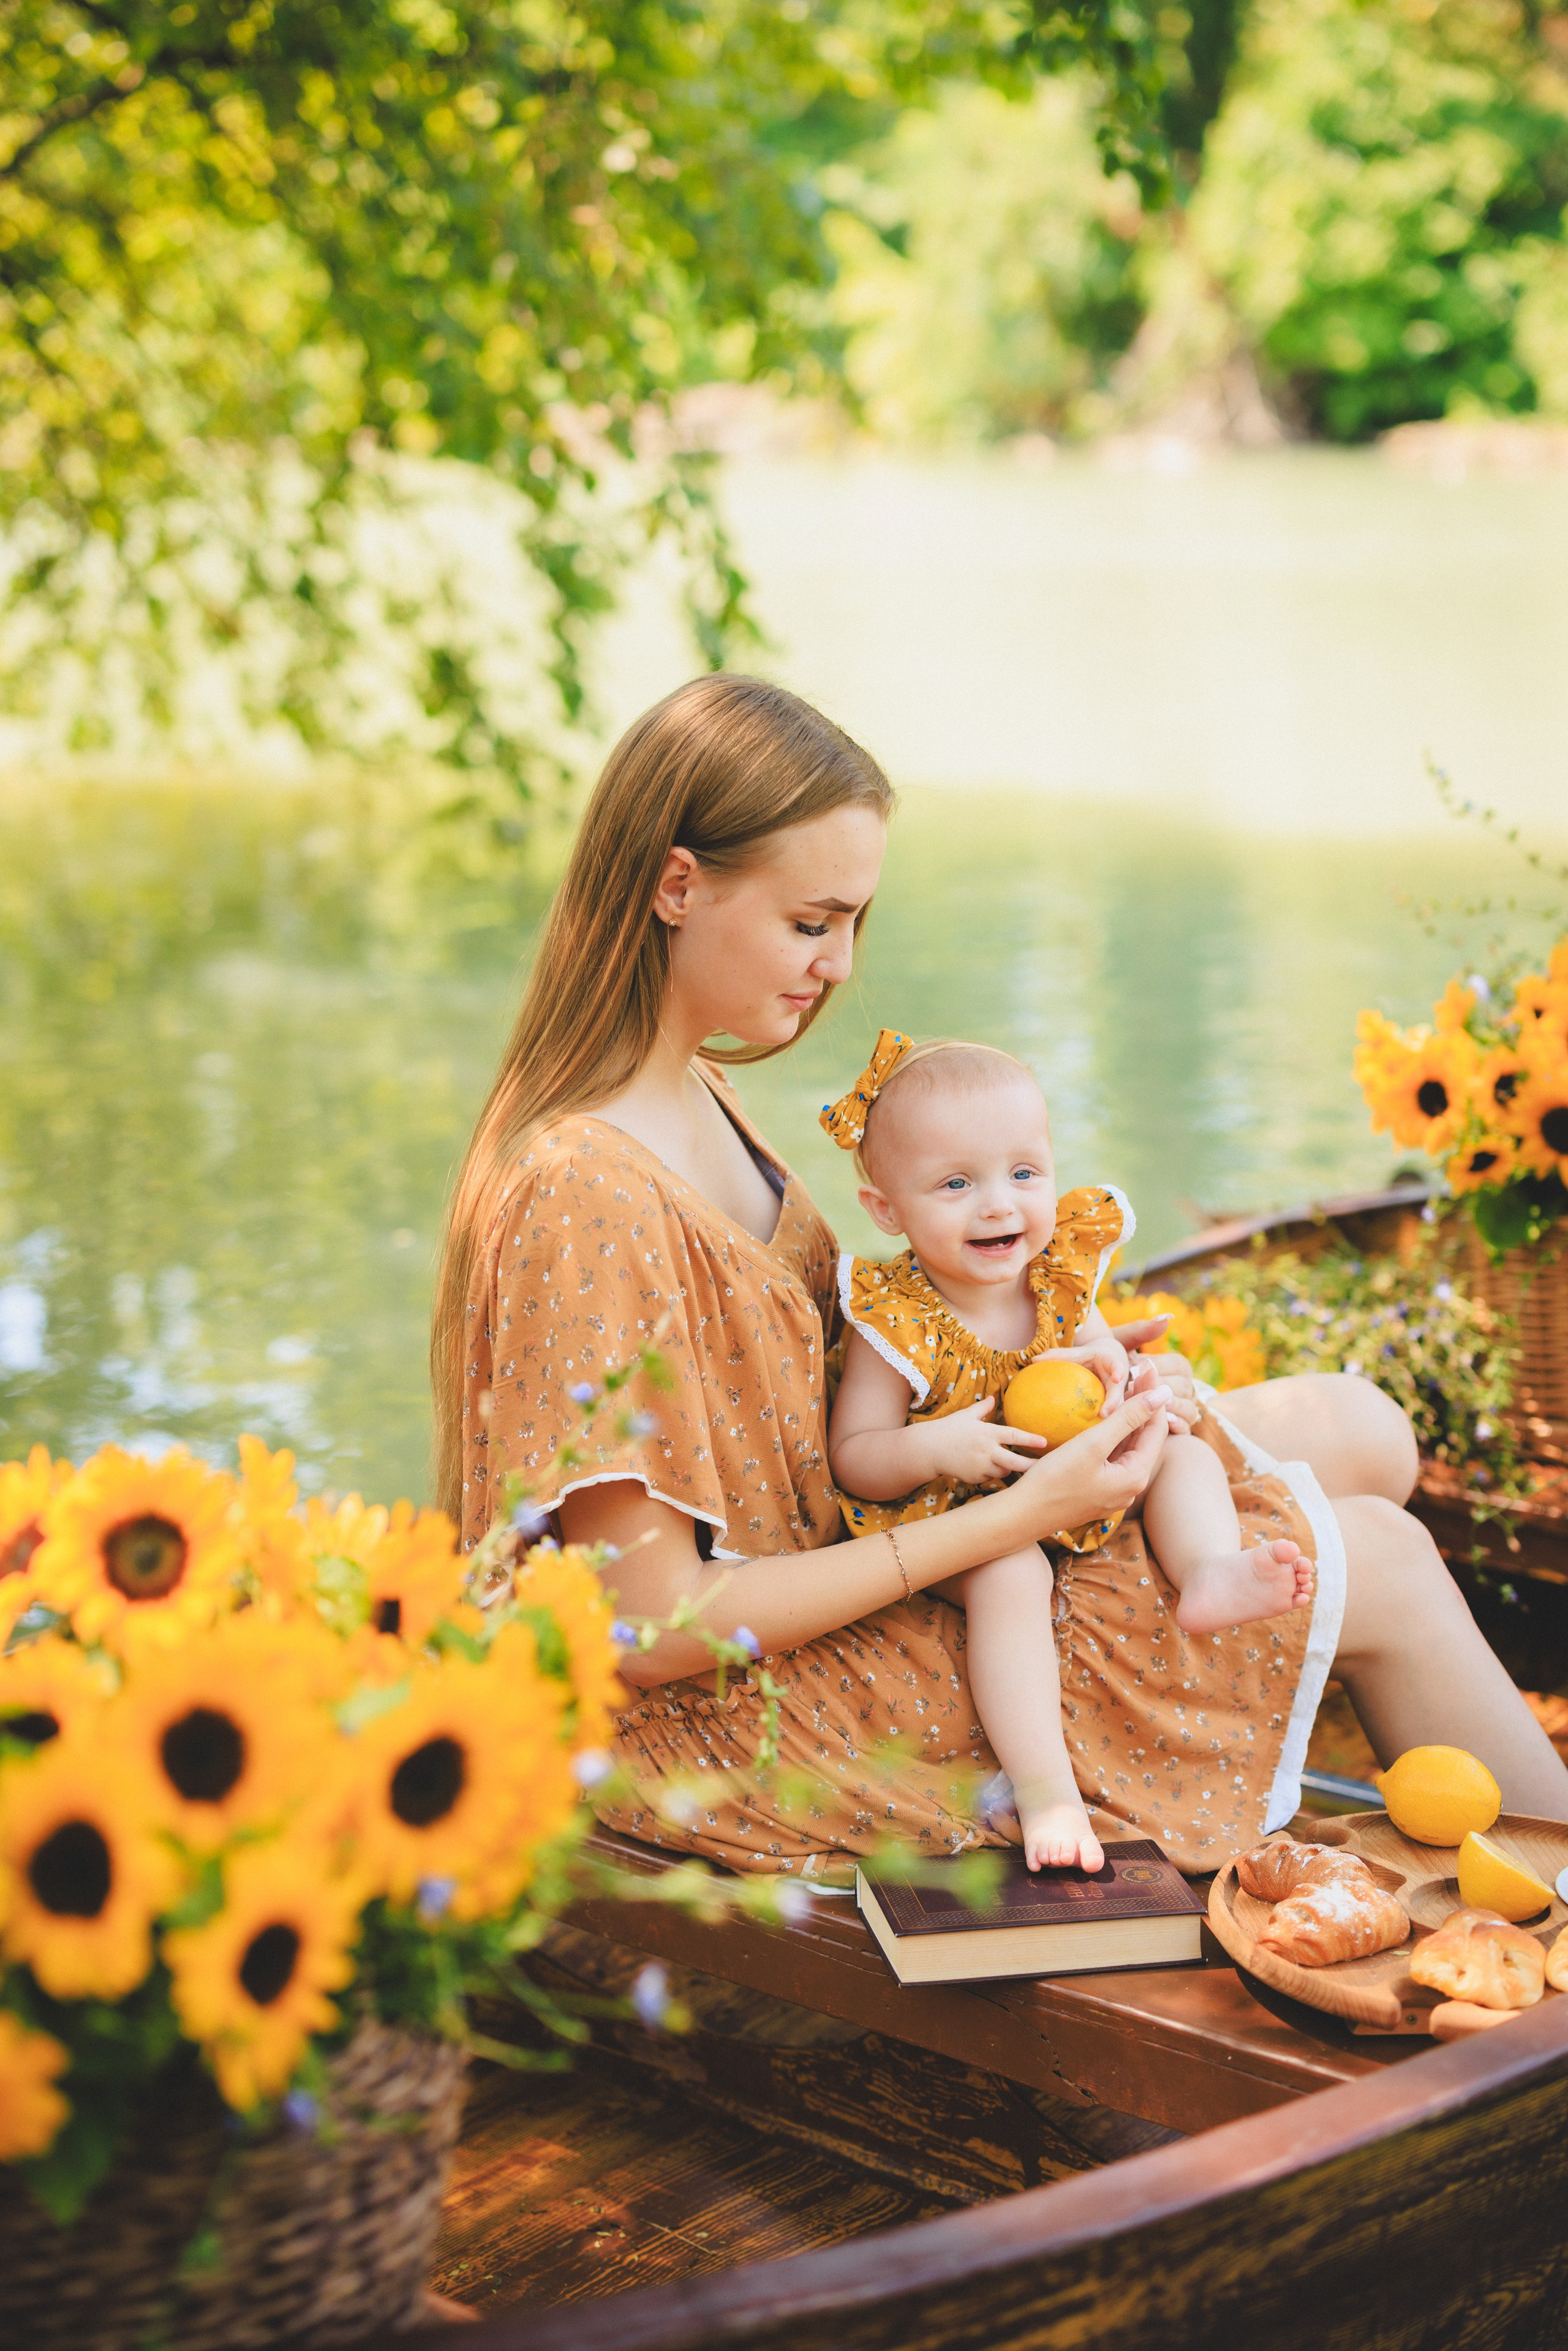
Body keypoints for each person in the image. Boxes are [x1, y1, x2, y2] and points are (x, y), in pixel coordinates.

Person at [431, 673, 1568, 1883]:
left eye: (853, 922)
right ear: (674, 884)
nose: (837, 963)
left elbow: (799, 1400)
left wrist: (1041, 1349)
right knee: (1381, 1553)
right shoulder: (582, 1185)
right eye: (810, 921)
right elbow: (648, 1628)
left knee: (1361, 1427)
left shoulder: (697, 1091)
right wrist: (1009, 1515)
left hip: (879, 1545)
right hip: (735, 1714)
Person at [823, 1032, 1313, 1873]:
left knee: (1184, 1452)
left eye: (1024, 1173)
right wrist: (936, 1444)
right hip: (959, 1517)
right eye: (955, 1183)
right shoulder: (894, 1319)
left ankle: (1207, 1572)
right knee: (1015, 1574)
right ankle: (1046, 1788)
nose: (999, 1206)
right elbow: (855, 1459)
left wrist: (1138, 1390)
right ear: (887, 1210)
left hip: (1069, 1482)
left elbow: (1109, 1369)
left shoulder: (1056, 1275)